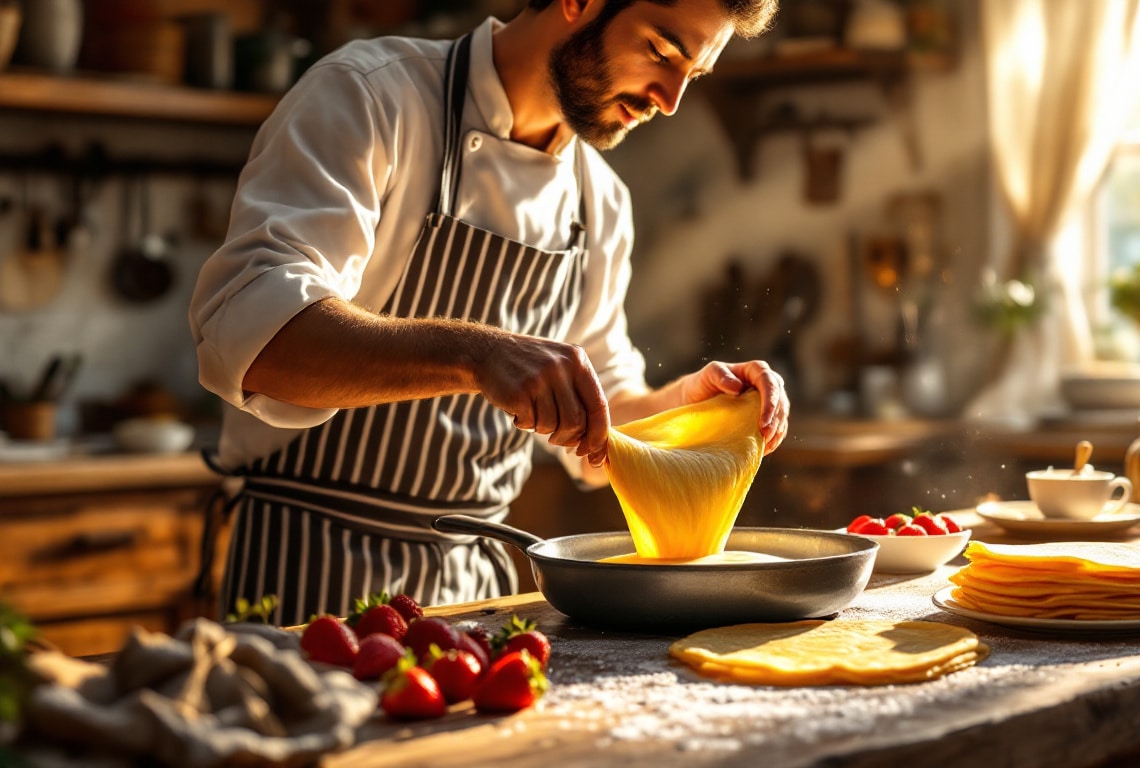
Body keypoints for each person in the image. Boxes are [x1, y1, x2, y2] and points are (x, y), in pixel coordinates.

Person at [189, 0, 787, 627]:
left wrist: (689, 407)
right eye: (662, 53)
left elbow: (596, 431)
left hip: (475, 591)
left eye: (693, 76)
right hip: (306, 574)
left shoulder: (601, 202)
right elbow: (257, 340)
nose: (668, 100)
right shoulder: (373, 97)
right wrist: (478, 356)